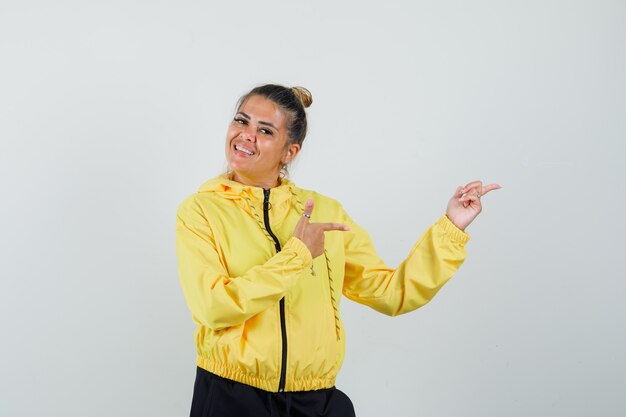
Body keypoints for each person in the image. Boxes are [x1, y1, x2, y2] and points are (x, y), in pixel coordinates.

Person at [175, 84, 500, 417]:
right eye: (241, 122)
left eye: (265, 130)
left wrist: (451, 228)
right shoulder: (200, 211)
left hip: (315, 402)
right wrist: (298, 255)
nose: (246, 135)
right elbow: (212, 307)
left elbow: (391, 293)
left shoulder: (325, 213)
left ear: (290, 152)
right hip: (231, 398)